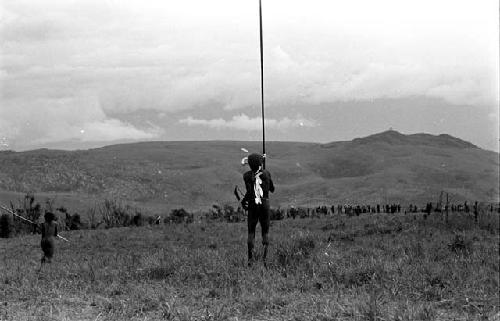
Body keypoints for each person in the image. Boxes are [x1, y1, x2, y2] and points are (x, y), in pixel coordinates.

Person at [241, 153, 275, 266]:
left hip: (253, 204)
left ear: (249, 164)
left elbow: (250, 192)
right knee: (265, 232)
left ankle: (250, 261)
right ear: (260, 163)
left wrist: (243, 200)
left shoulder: (246, 175)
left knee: (251, 232)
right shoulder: (266, 173)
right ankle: (265, 260)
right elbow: (272, 189)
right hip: (264, 203)